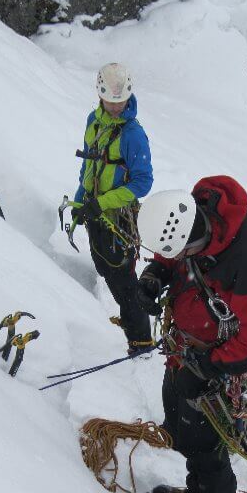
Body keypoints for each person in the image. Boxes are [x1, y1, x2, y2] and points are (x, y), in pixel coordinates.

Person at [135, 176, 247, 493]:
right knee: (181, 426)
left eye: (181, 254)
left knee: (204, 440)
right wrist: (156, 274)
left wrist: (209, 367)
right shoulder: (194, 214)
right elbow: (173, 251)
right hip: (187, 348)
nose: (178, 258)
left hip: (216, 359)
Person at [71, 62, 155, 355]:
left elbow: (143, 182)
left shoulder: (133, 134)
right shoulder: (93, 122)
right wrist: (80, 202)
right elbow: (89, 167)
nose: (116, 107)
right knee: (105, 269)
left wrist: (101, 203)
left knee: (124, 279)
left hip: (118, 218)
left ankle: (141, 340)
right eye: (111, 101)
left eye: (120, 102)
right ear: (101, 95)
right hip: (96, 213)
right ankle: (130, 319)